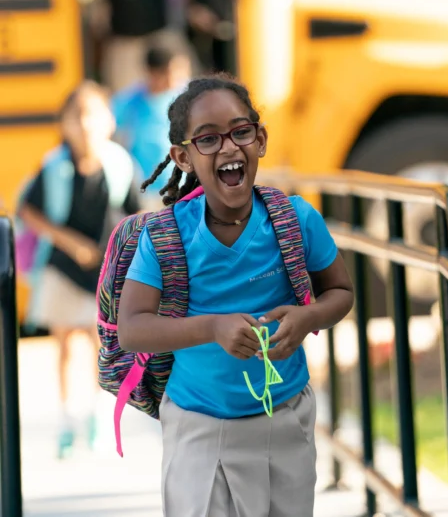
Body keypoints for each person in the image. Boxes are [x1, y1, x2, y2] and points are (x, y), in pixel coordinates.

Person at [117, 75, 354, 516]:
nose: (228, 148)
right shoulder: (167, 237)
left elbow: (339, 291)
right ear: (183, 157)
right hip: (200, 427)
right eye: (208, 139)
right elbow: (132, 329)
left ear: (260, 139)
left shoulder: (296, 219)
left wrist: (308, 318)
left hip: (286, 419)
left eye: (240, 131)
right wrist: (213, 327)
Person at [17, 81, 142, 459]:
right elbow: (28, 210)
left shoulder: (120, 164)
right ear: (64, 123)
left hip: (104, 269)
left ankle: (97, 416)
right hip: (61, 268)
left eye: (93, 114)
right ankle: (67, 418)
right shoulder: (54, 167)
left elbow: (137, 213)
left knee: (101, 342)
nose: (85, 124)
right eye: (77, 115)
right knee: (66, 344)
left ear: (108, 120)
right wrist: (69, 242)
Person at [112, 40, 191, 209]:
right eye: (172, 72)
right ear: (153, 73)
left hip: (183, 188)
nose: (178, 77)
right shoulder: (129, 103)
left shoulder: (188, 98)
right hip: (144, 194)